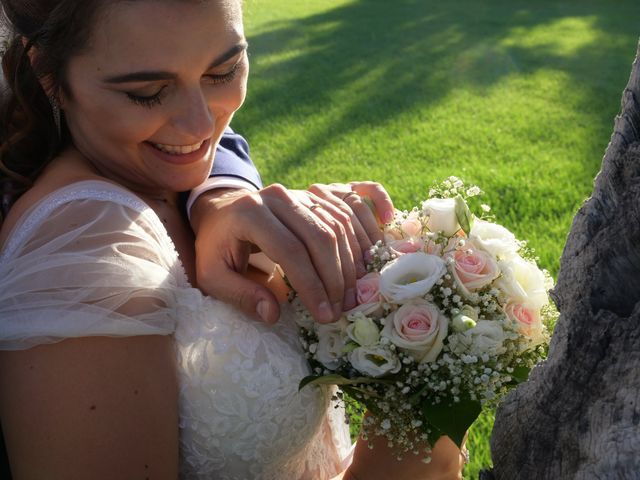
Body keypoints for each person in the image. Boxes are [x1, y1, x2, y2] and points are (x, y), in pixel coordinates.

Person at [0, 1, 466, 478]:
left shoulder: (179, 185)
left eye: (223, 71)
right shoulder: (82, 249)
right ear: (46, 71)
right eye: (147, 93)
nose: (202, 127)